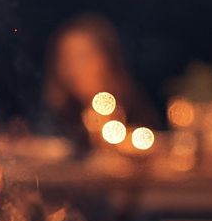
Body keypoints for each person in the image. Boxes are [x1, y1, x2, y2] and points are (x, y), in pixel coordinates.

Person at [42, 14, 159, 155]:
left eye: (83, 56)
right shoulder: (56, 113)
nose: (73, 67)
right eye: (65, 57)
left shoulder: (134, 113)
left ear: (107, 58)